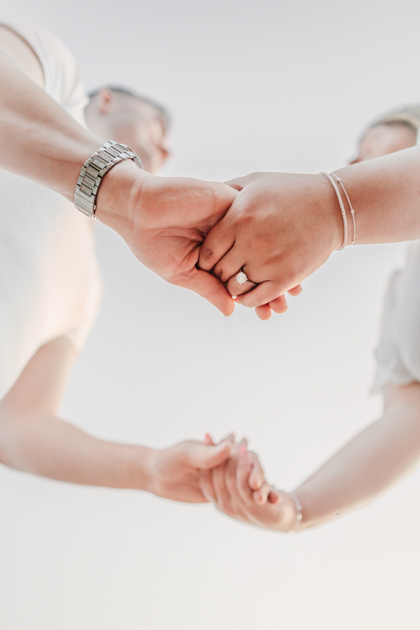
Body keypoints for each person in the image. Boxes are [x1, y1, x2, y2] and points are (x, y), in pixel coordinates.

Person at [0, 24, 272, 505]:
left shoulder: (86, 287)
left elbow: (18, 427)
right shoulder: (52, 76)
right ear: (105, 100)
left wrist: (147, 469)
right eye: (157, 128)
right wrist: (125, 191)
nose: (165, 151)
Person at [198, 105, 420, 532]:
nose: (353, 163)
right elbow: (409, 421)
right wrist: (295, 510)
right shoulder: (404, 290)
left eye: (369, 146)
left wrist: (330, 206)